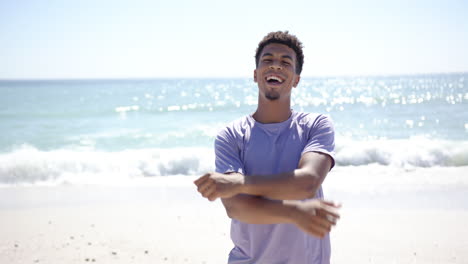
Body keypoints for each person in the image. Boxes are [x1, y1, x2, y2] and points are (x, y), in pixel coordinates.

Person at [194, 31, 340, 264]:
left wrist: (239, 183)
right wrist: (293, 212)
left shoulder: (316, 125)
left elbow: (308, 181)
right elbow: (235, 206)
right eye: (268, 60)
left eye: (285, 62)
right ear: (255, 75)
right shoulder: (231, 135)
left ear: (296, 79)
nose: (276, 66)